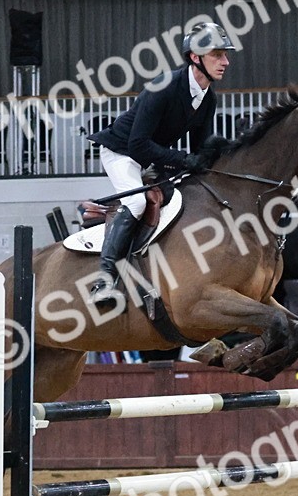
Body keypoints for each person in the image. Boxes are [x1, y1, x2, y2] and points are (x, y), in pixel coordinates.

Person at [84, 21, 237, 304]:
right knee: (136, 203)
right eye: (218, 54)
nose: (225, 61)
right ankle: (103, 282)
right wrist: (182, 160)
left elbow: (199, 150)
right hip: (122, 151)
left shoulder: (207, 98)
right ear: (195, 57)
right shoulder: (163, 86)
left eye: (225, 55)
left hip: (152, 155)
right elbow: (137, 144)